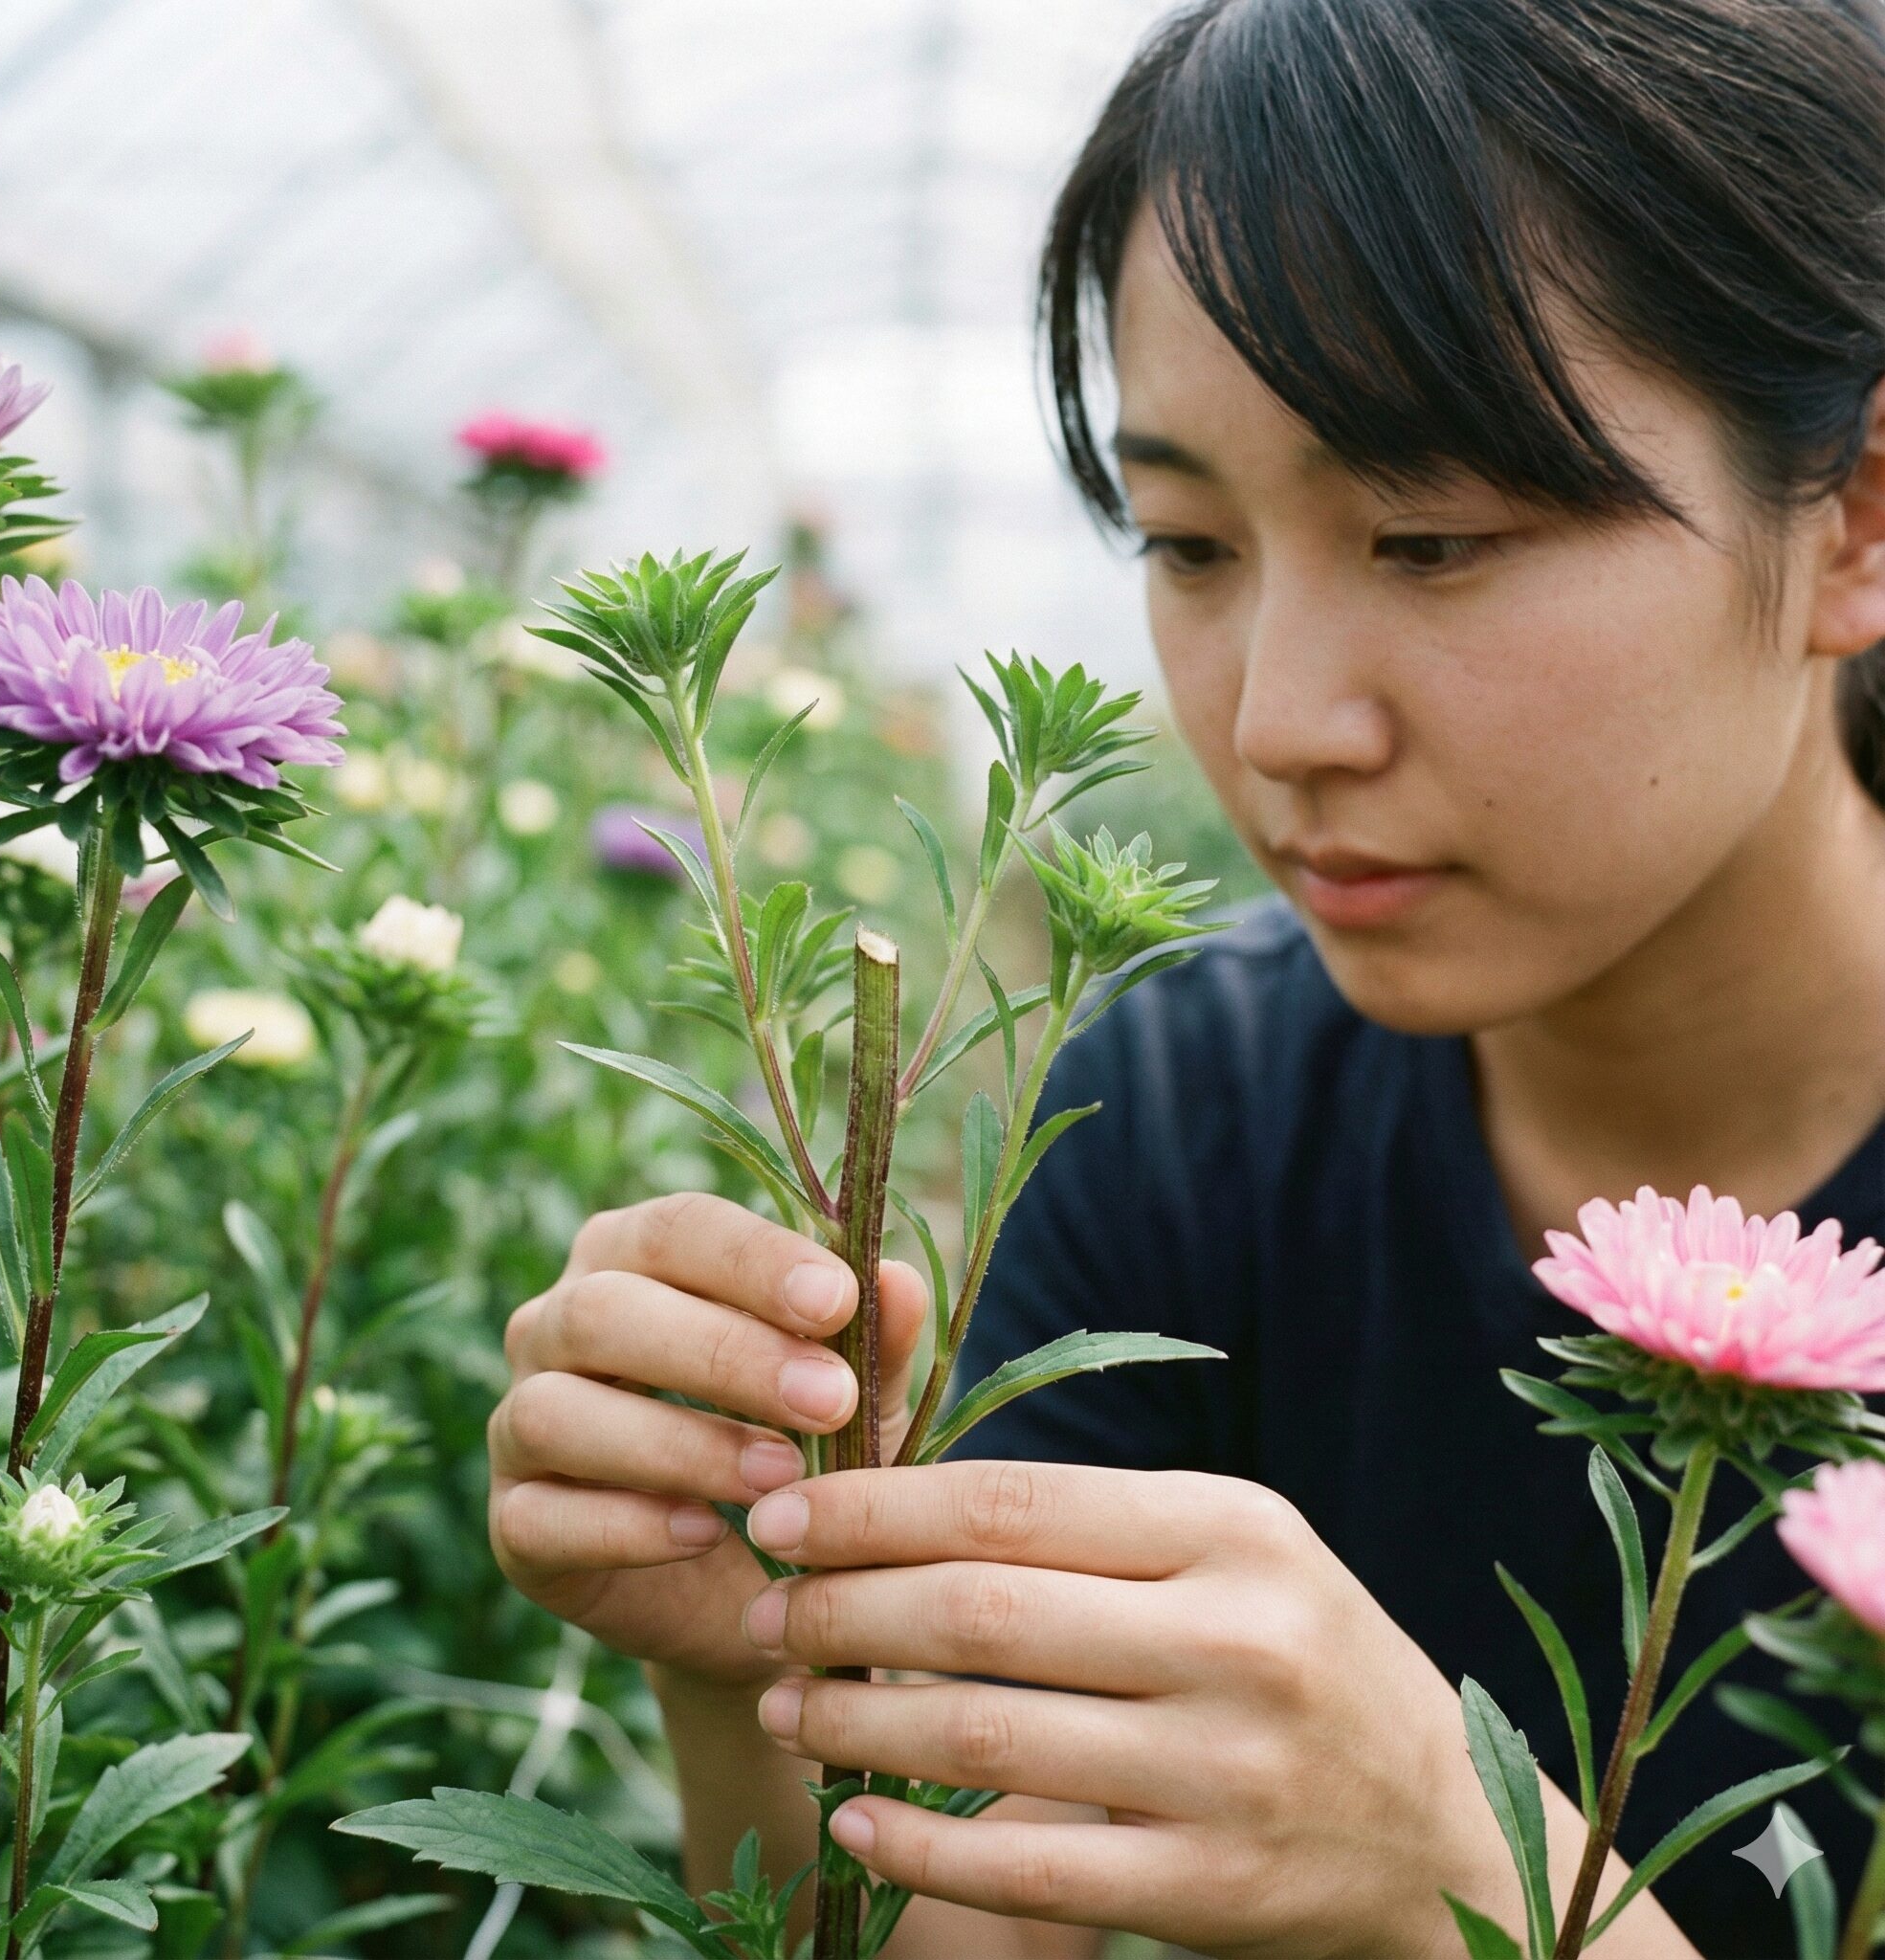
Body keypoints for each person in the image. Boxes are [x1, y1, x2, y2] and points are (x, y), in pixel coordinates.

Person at [485, 0, 1885, 1950]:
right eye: (1185, 540)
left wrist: (1468, 1884)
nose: (1277, 718)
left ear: (1853, 516)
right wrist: (758, 1664)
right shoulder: (1184, 1115)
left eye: (1431, 533)